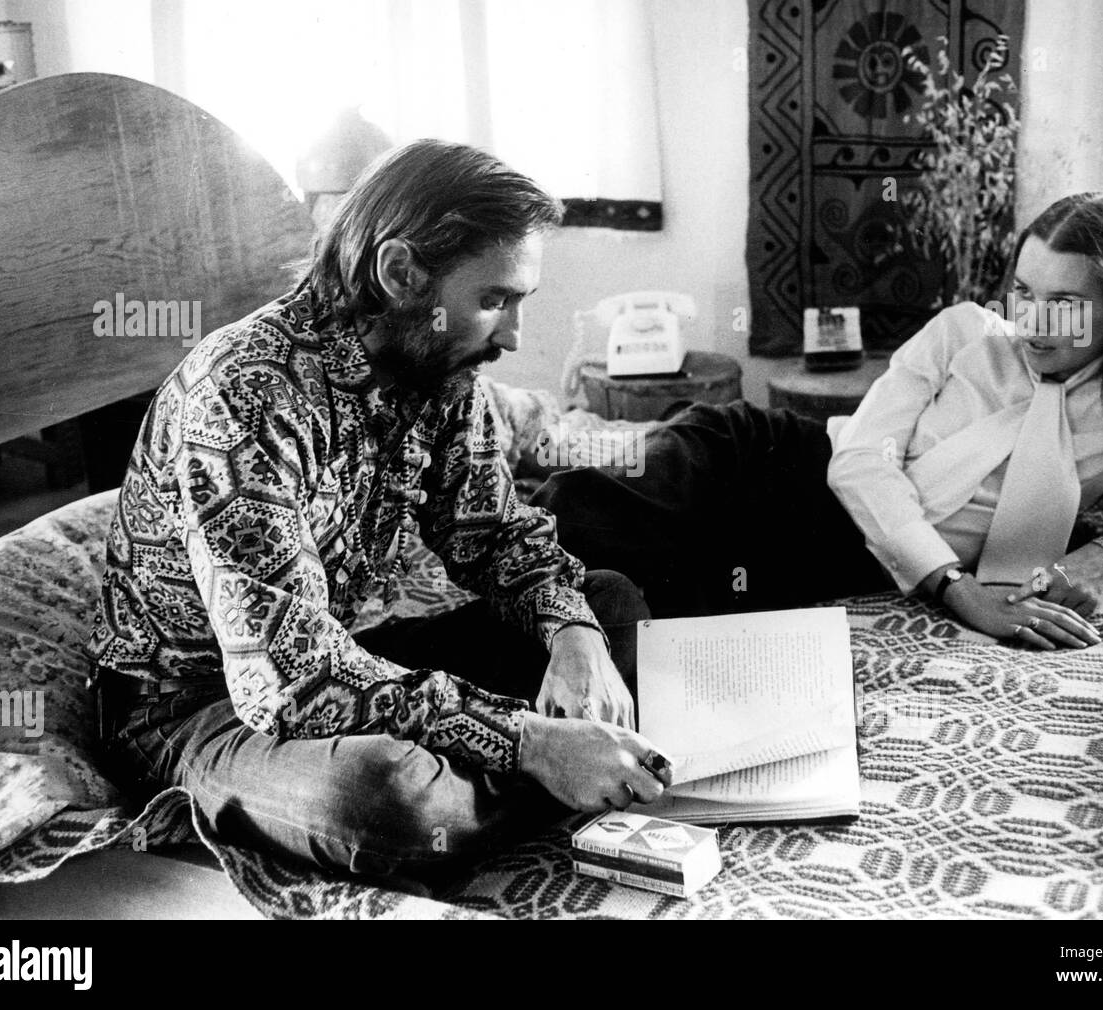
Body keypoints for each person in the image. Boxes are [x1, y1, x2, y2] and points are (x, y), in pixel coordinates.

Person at [87, 140, 672, 889]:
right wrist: (527, 738)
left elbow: (492, 535)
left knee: (609, 604)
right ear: (400, 274)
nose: (514, 336)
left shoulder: (438, 367)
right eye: (494, 300)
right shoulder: (242, 395)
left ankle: (518, 776)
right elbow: (289, 683)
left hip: (342, 652)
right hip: (200, 710)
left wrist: (573, 634)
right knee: (386, 798)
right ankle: (538, 776)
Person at [534, 191, 1103, 650]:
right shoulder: (965, 334)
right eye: (1023, 292)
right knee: (575, 510)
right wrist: (956, 588)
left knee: (651, 612)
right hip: (779, 468)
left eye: (1063, 303)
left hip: (830, 558)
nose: (1032, 322)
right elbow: (860, 459)